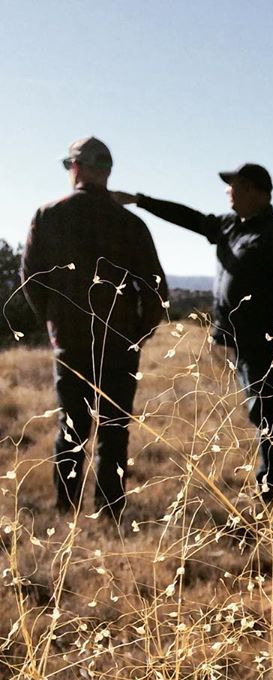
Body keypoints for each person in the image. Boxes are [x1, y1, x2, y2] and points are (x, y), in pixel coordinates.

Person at [113, 164, 273, 502]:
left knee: (264, 407)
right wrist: (141, 201)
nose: (229, 191)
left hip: (267, 340)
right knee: (263, 407)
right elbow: (190, 218)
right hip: (241, 339)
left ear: (257, 191)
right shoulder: (231, 226)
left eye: (236, 185)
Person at [21, 136, 168, 521]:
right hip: (120, 342)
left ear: (77, 167)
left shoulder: (48, 215)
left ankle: (66, 511)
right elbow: (156, 290)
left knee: (71, 427)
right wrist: (136, 334)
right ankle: (109, 511)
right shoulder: (129, 223)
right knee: (114, 430)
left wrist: (53, 323)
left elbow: (31, 281)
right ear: (106, 172)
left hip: (69, 340)